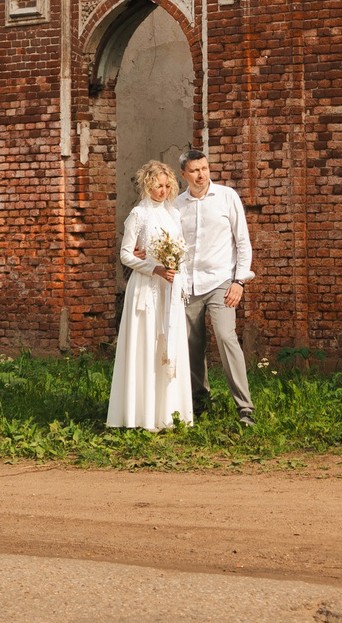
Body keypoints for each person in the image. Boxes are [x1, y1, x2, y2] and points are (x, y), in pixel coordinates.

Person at [106, 160, 193, 431]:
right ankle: (140, 415)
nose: (163, 190)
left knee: (169, 345)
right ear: (147, 184)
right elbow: (125, 254)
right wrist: (153, 267)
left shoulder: (173, 213)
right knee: (146, 346)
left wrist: (177, 272)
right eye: (157, 185)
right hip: (146, 288)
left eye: (167, 186)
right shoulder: (138, 214)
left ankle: (169, 413)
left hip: (169, 287)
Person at [175, 149, 255, 427]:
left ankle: (245, 407)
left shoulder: (227, 197)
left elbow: (242, 242)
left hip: (221, 281)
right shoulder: (176, 205)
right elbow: (171, 244)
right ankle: (199, 400)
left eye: (205, 169)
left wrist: (239, 281)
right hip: (187, 284)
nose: (201, 175)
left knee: (225, 336)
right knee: (191, 345)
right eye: (195, 170)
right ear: (184, 174)